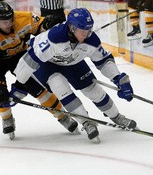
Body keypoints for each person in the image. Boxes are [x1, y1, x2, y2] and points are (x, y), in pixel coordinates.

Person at [13, 8, 137, 143]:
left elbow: (103, 60)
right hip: (47, 64)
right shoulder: (54, 38)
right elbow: (29, 60)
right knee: (60, 87)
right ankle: (86, 122)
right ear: (72, 28)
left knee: (93, 90)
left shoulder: (91, 40)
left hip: (72, 62)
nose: (87, 34)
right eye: (83, 31)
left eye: (89, 30)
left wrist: (118, 79)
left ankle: (116, 116)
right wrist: (20, 84)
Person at [0, 2, 77, 140]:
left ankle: (61, 116)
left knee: (38, 89)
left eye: (11, 19)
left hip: (19, 57)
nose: (10, 23)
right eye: (5, 22)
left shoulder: (23, 18)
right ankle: (7, 118)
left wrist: (48, 24)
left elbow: (40, 26)